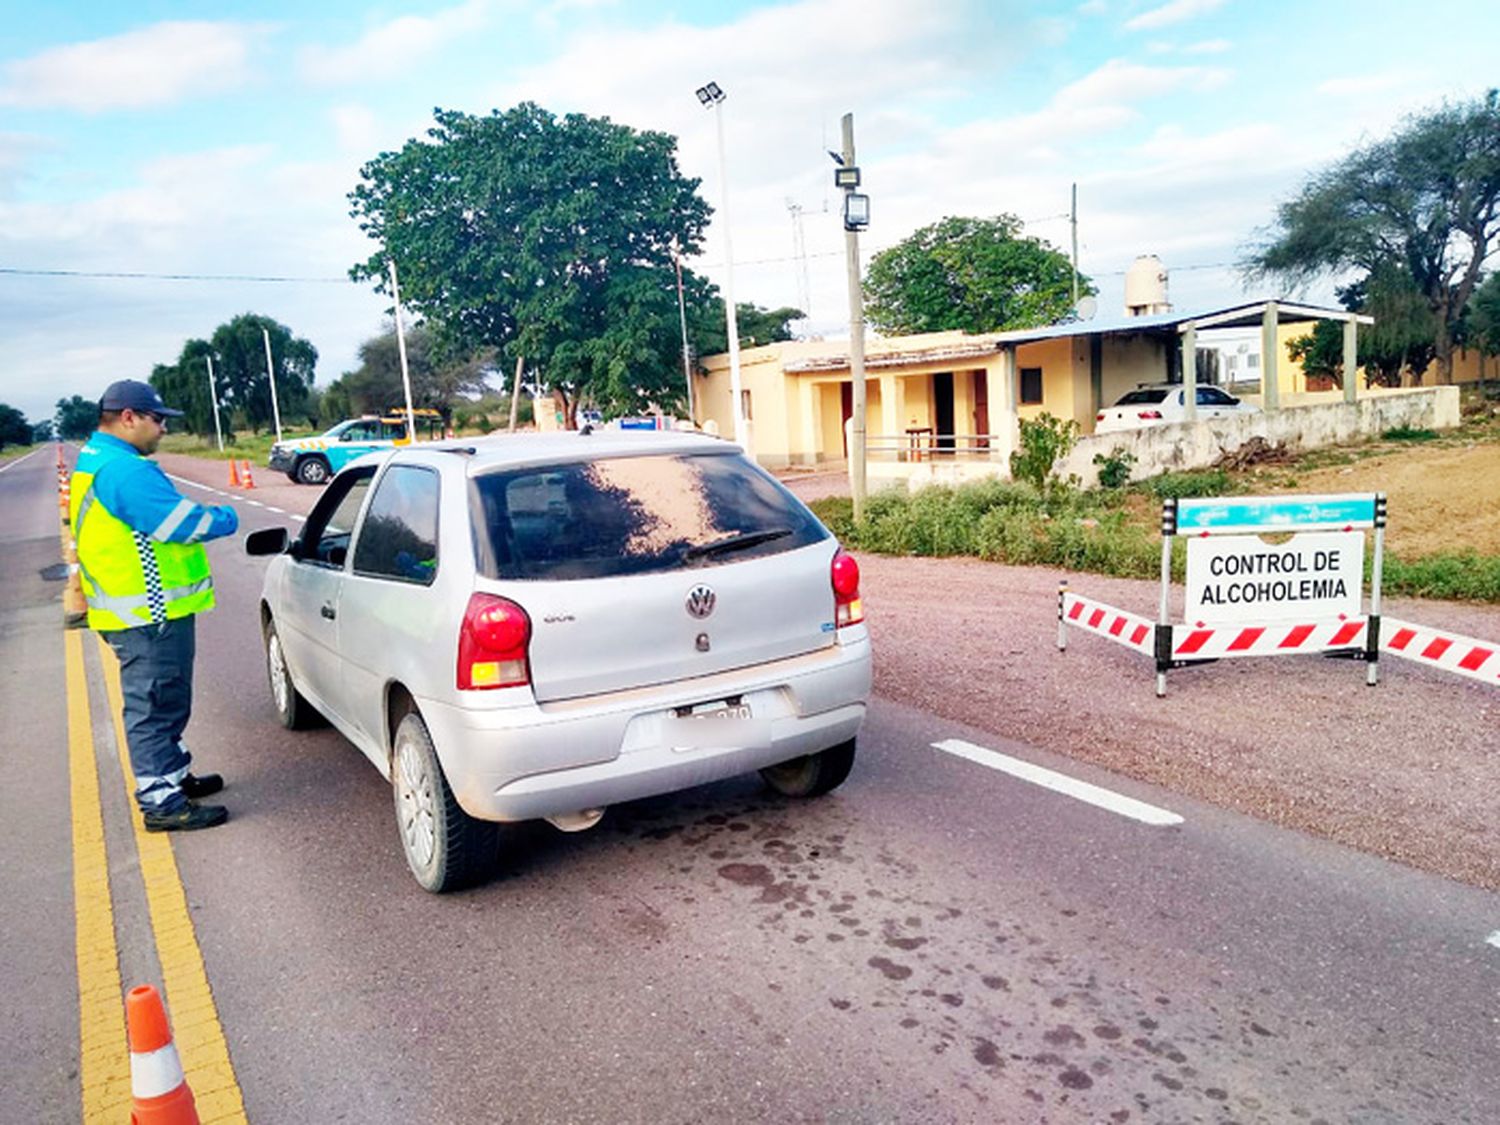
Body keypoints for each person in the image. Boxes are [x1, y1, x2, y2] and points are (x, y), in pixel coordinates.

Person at [70, 380, 240, 831]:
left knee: (166, 699)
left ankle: (173, 774)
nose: (163, 428)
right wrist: (227, 516)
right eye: (157, 419)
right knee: (154, 704)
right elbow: (180, 524)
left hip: (135, 610)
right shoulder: (125, 471)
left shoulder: (99, 459)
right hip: (148, 614)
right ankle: (161, 802)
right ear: (128, 417)